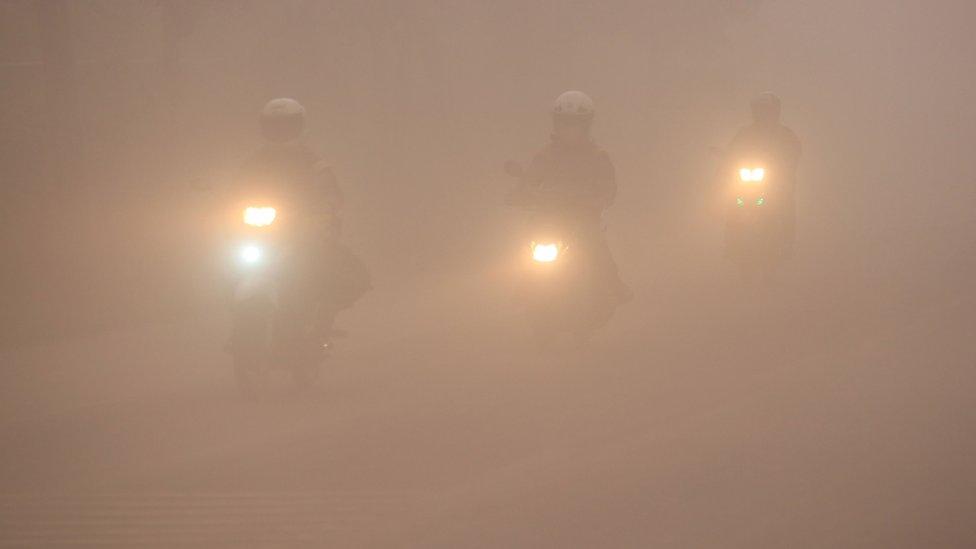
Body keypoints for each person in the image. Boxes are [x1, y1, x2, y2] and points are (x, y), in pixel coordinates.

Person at [229, 98, 370, 342]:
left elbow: (333, 195)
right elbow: (235, 192)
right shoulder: (253, 162)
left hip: (303, 231)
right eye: (275, 127)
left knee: (316, 268)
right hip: (265, 232)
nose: (281, 133)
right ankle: (244, 327)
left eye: (287, 127)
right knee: (229, 265)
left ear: (299, 127)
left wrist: (322, 211)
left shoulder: (313, 162)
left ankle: (317, 321)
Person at [511, 90, 631, 303]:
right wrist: (518, 194)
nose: (569, 129)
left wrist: (596, 201)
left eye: (575, 124)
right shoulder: (545, 156)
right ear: (556, 124)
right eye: (564, 123)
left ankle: (613, 285)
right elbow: (529, 181)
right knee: (525, 240)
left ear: (586, 126)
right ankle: (524, 285)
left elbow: (608, 189)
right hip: (548, 217)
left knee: (596, 245)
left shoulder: (598, 157)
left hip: (582, 219)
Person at [725, 92, 802, 256]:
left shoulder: (785, 135)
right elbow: (732, 152)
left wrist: (784, 168)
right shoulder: (745, 133)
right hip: (747, 179)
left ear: (774, 112)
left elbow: (794, 154)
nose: (762, 114)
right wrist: (726, 160)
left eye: (765, 110)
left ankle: (787, 244)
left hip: (776, 182)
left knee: (785, 203)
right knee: (732, 202)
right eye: (759, 110)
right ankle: (731, 243)